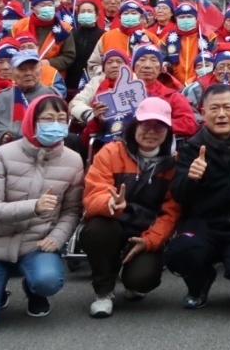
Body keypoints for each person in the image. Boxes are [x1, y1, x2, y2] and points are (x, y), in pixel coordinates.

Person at [0, 93, 84, 332]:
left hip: (36, 245)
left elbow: (71, 211)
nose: (56, 125)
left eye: (62, 119)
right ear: (31, 121)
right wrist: (34, 207)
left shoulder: (73, 160)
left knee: (47, 280)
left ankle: (35, 291)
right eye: (48, 118)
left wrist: (57, 238)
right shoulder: (3, 154)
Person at [167, 84, 230, 308]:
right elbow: (178, 194)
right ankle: (200, 282)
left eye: (226, 107)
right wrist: (192, 178)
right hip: (203, 224)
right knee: (179, 253)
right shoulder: (191, 149)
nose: (221, 114)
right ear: (203, 113)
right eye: (214, 109)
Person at [80, 96, 180, 317]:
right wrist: (110, 203)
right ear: (134, 125)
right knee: (96, 230)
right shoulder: (111, 152)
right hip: (111, 223)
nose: (152, 131)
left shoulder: (174, 163)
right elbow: (92, 193)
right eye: (146, 125)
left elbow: (171, 212)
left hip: (143, 231)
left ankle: (133, 278)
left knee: (142, 280)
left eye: (160, 126)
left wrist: (150, 240)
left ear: (168, 132)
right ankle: (104, 292)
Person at [0, 48, 62, 147]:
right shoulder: (0, 98)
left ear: (40, 70)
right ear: (12, 73)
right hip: (6, 151)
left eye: (32, 68)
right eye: (22, 69)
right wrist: (1, 136)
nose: (28, 73)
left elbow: (59, 127)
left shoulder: (51, 96)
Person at [11, 0, 76, 72]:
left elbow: (69, 56)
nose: (48, 8)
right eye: (43, 5)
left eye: (50, 5)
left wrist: (50, 63)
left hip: (52, 76)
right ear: (33, 9)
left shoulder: (65, 29)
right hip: (23, 73)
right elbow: (11, 50)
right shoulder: (18, 26)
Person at [68, 0, 105, 96]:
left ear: (96, 16)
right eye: (83, 11)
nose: (86, 14)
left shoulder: (104, 35)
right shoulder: (70, 34)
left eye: (89, 11)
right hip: (71, 84)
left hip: (95, 82)